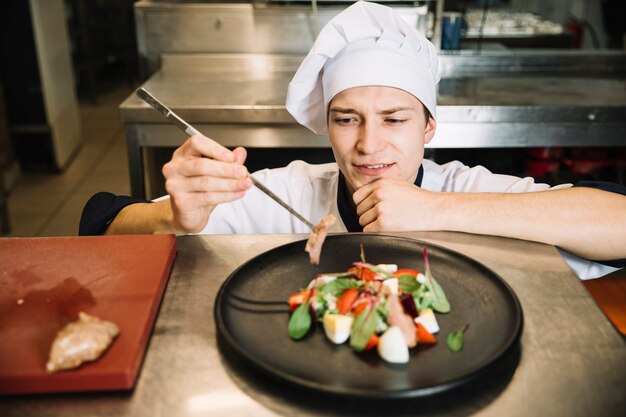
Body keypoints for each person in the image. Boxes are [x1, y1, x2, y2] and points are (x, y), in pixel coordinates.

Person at [80, 1, 626, 280]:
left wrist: (436, 208)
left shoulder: (463, 188)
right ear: (326, 125)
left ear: (429, 126)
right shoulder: (287, 195)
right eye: (347, 119)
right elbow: (104, 225)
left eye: (394, 119)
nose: (368, 145)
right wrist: (172, 219)